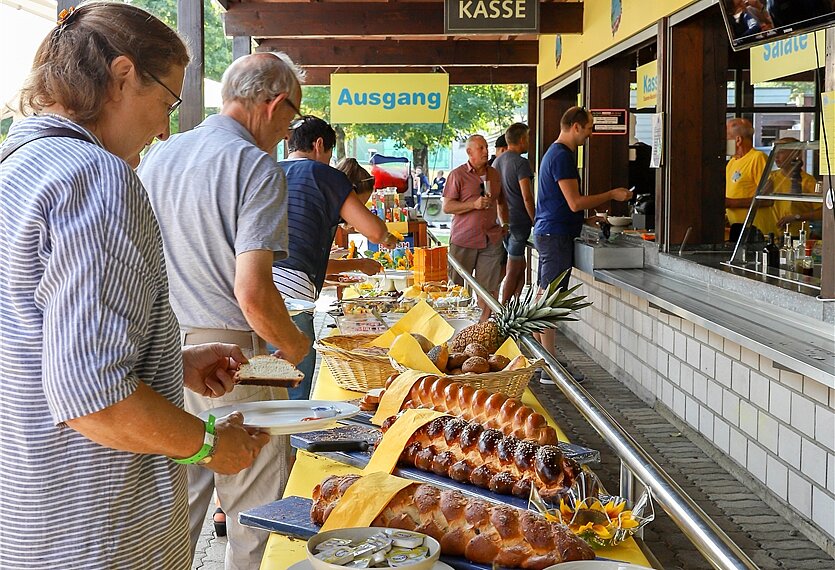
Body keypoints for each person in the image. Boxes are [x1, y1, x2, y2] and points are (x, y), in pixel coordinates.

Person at [0, 3, 271, 568]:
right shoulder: (95, 177)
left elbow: (37, 352)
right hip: (101, 533)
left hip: (33, 519)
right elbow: (94, 398)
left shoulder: (18, 166)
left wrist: (170, 360)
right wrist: (207, 443)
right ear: (123, 76)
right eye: (167, 100)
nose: (167, 126)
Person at [137, 52, 311, 569]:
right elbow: (253, 294)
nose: (287, 131)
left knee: (175, 508)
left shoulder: (159, 156)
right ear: (274, 103)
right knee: (254, 513)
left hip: (162, 349)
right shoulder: (255, 165)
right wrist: (295, 346)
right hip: (229, 359)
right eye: (291, 117)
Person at [273, 118, 395, 400]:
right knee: (295, 388)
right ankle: (292, 443)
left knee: (268, 388)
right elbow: (375, 231)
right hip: (292, 295)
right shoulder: (321, 173)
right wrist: (388, 237)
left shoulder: (271, 171)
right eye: (328, 153)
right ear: (319, 145)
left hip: (253, 287)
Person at [533, 107, 632, 380]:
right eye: (589, 128)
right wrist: (612, 194)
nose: (590, 134)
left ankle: (543, 359)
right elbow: (573, 201)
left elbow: (564, 204)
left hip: (552, 231)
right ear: (575, 126)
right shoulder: (562, 156)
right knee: (551, 299)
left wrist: (585, 220)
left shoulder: (554, 154)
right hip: (555, 236)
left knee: (545, 295)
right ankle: (549, 369)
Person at [443, 134, 508, 321]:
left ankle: (481, 329)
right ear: (469, 152)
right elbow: (447, 206)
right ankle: (457, 326)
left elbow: (501, 201)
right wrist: (473, 204)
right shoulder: (457, 175)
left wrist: (504, 223)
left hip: (491, 239)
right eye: (481, 148)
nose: (486, 151)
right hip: (464, 239)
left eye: (486, 147)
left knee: (488, 288)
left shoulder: (495, 174)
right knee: (456, 287)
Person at [493, 123, 536, 302]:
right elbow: (527, 196)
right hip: (519, 221)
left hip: (502, 222)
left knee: (521, 265)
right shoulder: (521, 163)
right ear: (522, 140)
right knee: (513, 267)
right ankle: (503, 308)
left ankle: (515, 304)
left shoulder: (497, 162)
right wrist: (535, 219)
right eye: (528, 138)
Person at [762, 137, 822, 236]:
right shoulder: (771, 177)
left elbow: (822, 213)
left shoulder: (808, 181)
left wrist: (796, 217)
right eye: (775, 151)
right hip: (770, 234)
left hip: (796, 237)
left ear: (796, 154)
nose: (776, 156)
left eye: (781, 152)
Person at [725, 118, 775, 237]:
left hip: (755, 233)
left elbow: (767, 199)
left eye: (726, 138)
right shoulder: (732, 162)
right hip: (737, 231)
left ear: (738, 140)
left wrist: (730, 203)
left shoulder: (757, 158)